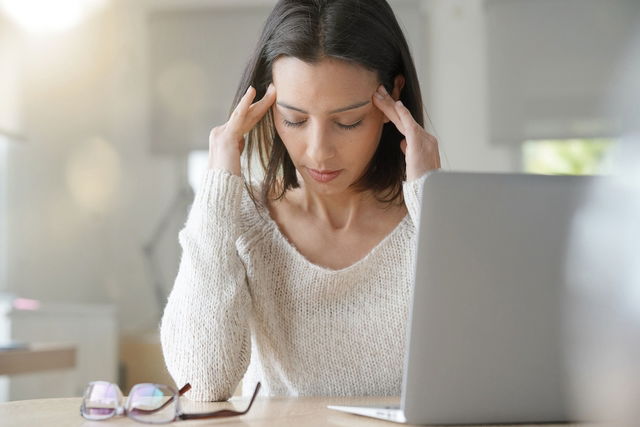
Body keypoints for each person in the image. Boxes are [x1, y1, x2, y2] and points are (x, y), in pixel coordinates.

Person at [160, 0, 441, 401]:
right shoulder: (243, 220)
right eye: (294, 119)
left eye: (348, 122)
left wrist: (433, 200)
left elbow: (481, 370)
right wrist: (220, 181)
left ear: (393, 95)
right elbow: (202, 381)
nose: (318, 151)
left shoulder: (429, 217)